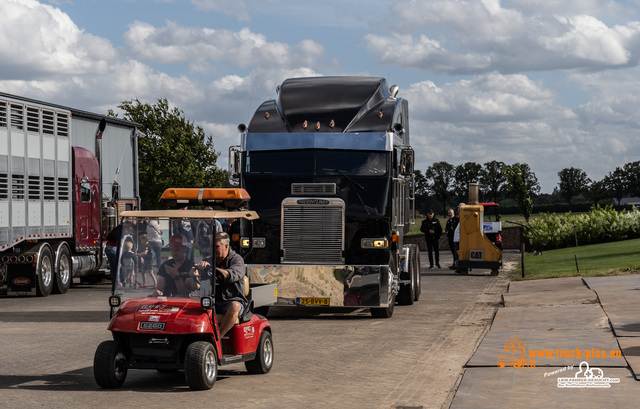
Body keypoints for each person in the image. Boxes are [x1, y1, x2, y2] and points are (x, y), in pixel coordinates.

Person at [192, 232, 247, 338]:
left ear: (226, 246)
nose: (212, 249)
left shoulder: (236, 259)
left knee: (234, 307)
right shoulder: (208, 259)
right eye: (211, 246)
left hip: (231, 300)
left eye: (216, 246)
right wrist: (194, 273)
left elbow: (231, 275)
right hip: (210, 301)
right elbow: (198, 282)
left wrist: (211, 269)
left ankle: (217, 338)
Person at [105, 224, 121, 292]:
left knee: (112, 267)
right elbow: (120, 243)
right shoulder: (120, 233)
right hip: (114, 248)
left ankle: (114, 283)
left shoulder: (114, 231)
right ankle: (118, 283)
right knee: (117, 266)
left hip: (108, 247)